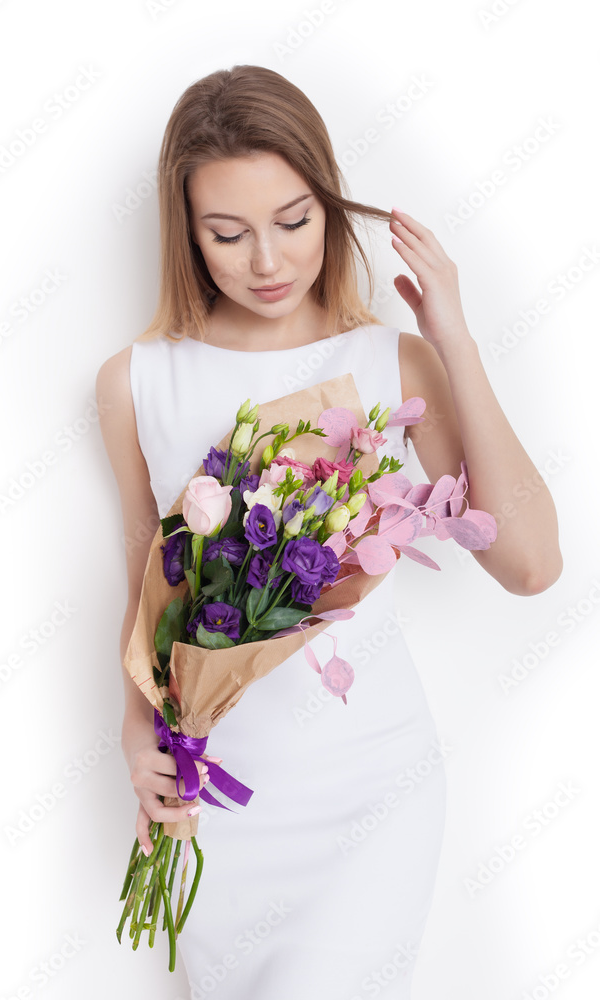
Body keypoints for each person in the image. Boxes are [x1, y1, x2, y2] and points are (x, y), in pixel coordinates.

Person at [96, 65, 562, 999]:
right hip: (216, 802)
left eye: (294, 221)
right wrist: (135, 735)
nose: (265, 261)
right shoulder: (136, 381)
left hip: (367, 791)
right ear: (185, 231)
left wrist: (453, 341)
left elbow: (529, 564)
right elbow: (146, 591)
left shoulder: (391, 359)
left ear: (329, 206)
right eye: (226, 234)